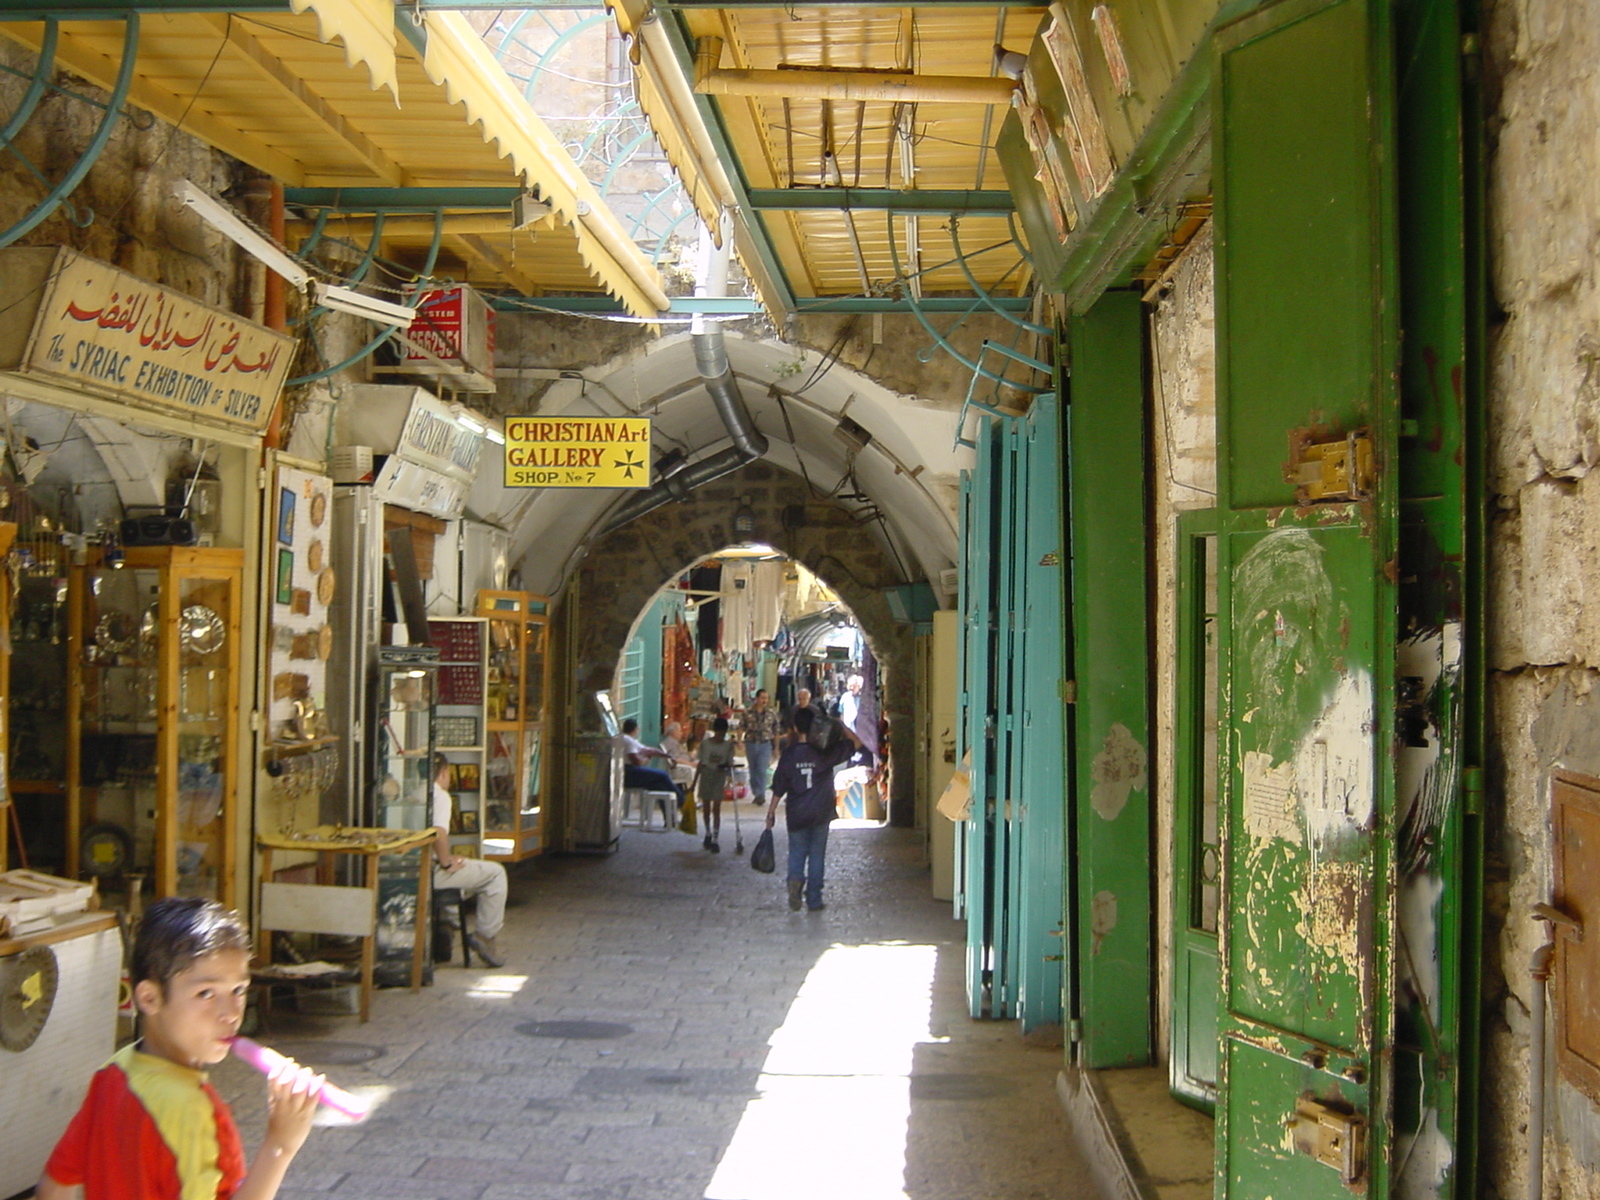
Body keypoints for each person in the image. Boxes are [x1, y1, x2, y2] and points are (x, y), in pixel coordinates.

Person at [37, 896, 323, 1200]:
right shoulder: (191, 1111)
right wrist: (280, 1146)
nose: (231, 1013)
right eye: (206, 993)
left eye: (238, 990)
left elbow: (54, 1186)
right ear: (149, 998)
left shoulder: (116, 1070)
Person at [766, 707, 861, 912]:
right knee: (817, 855)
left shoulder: (789, 755)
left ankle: (795, 881)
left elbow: (779, 785)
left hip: (797, 812)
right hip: (821, 811)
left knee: (797, 852)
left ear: (793, 728)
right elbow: (856, 743)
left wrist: (771, 812)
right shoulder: (825, 752)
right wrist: (840, 725)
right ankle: (814, 899)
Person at [431, 752, 509, 968]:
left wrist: (444, 859)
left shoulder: (414, 793)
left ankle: (446, 927)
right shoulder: (439, 796)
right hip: (428, 873)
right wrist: (446, 861)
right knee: (495, 874)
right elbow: (438, 832)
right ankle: (485, 936)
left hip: (415, 867)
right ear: (445, 773)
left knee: (461, 871)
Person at [618, 717, 686, 824]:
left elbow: (650, 750)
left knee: (659, 786)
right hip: (629, 772)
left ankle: (669, 819)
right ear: (636, 729)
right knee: (662, 776)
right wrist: (647, 759)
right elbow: (637, 762)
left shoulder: (630, 740)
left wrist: (667, 756)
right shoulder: (627, 741)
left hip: (631, 772)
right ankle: (681, 801)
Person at [693, 715, 735, 852]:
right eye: (719, 733)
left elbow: (729, 762)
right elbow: (701, 764)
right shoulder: (705, 745)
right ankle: (708, 832)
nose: (720, 736)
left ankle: (716, 837)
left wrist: (729, 768)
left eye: (723, 734)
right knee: (706, 806)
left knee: (716, 807)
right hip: (707, 774)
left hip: (719, 776)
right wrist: (694, 784)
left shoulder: (728, 746)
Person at [741, 689, 780, 806]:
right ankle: (756, 792)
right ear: (757, 698)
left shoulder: (771, 714)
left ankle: (761, 794)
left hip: (765, 744)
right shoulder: (747, 712)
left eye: (766, 698)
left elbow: (776, 731)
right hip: (751, 743)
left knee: (762, 769)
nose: (764, 700)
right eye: (762, 698)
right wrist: (739, 741)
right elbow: (741, 727)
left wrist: (776, 748)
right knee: (753, 770)